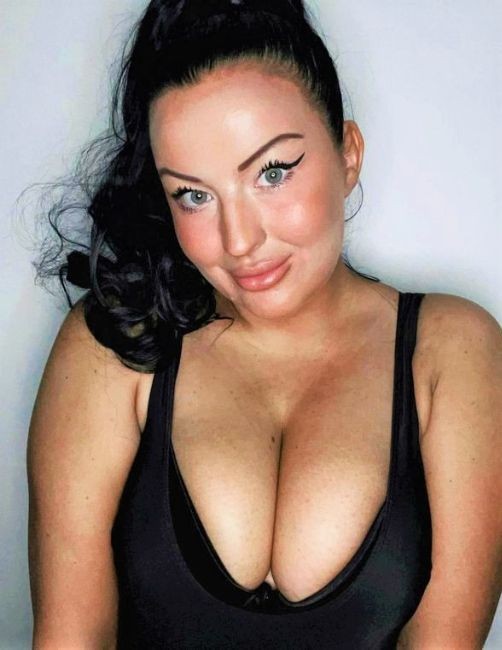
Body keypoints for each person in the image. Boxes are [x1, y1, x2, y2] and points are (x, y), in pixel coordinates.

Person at [27, 0, 502, 648]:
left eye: (272, 173)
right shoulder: (115, 344)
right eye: (194, 195)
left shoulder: (453, 351)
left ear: (348, 153)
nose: (240, 240)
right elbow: (70, 637)